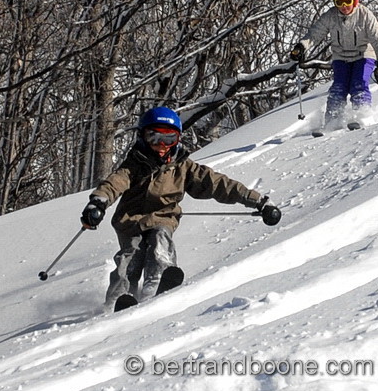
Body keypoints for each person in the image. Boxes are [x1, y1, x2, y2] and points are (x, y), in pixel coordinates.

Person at [80, 106, 281, 307]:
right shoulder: (133, 165)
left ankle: (158, 281)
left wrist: (258, 201)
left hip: (163, 218)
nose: (161, 145)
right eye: (154, 137)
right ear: (142, 138)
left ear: (177, 140)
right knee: (129, 257)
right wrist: (98, 202)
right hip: (130, 221)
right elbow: (113, 184)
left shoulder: (184, 168)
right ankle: (118, 299)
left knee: (160, 240)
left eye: (169, 139)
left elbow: (220, 184)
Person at [290, 0, 378, 129]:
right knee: (338, 88)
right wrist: (302, 46)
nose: (344, 7)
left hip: (363, 55)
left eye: (347, 1)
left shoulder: (364, 15)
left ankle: (362, 116)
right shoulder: (331, 16)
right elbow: (315, 33)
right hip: (341, 58)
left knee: (358, 83)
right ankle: (333, 122)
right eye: (339, 2)